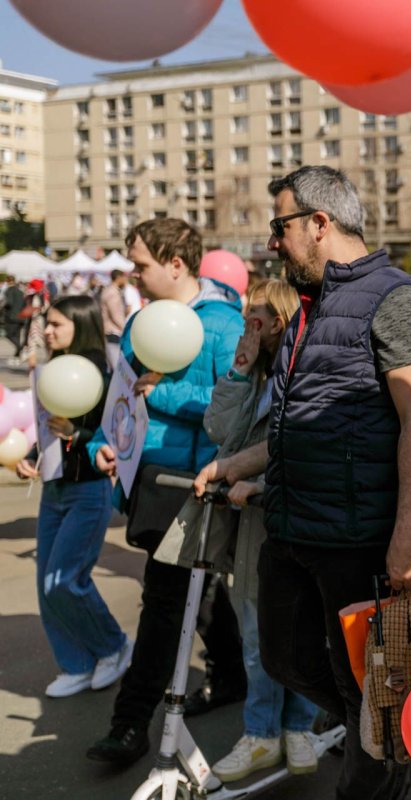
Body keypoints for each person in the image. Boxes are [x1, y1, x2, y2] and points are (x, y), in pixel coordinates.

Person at [197, 165, 411, 800]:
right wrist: (234, 466)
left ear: (319, 224)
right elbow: (293, 423)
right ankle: (386, 729)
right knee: (285, 660)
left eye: (280, 227)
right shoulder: (308, 303)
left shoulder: (398, 298)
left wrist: (409, 534)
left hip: (357, 540)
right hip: (292, 527)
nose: (273, 242)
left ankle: (382, 754)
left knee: (367, 692)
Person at [85, 218, 246, 765]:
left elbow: (236, 406)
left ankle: (130, 725)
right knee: (194, 588)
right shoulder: (139, 323)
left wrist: (169, 392)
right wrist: (103, 446)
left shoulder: (224, 325)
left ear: (176, 263)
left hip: (193, 483)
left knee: (163, 600)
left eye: (141, 263)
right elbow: (120, 397)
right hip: (146, 478)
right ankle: (231, 675)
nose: (134, 273)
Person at [197, 279, 322, 782]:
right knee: (257, 637)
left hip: (295, 519)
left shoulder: (303, 373)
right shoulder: (256, 377)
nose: (250, 326)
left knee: (301, 632)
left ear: (282, 318)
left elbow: (307, 447)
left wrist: (260, 486)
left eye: (259, 317)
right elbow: (219, 433)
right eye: (247, 316)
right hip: (253, 529)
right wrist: (239, 370)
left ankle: (299, 726)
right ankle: (262, 733)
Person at [13, 295, 132, 698]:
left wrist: (78, 435)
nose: (47, 330)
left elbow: (112, 435)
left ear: (79, 325)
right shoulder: (49, 372)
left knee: (65, 580)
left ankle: (114, 646)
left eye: (57, 324)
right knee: (47, 586)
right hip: (54, 490)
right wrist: (29, 457)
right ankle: (76, 664)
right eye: (48, 323)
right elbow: (49, 430)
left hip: (88, 491)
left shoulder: (104, 372)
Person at [99, 269, 129, 368]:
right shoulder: (113, 293)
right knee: (117, 367)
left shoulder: (109, 290)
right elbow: (116, 315)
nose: (126, 280)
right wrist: (125, 329)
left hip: (110, 332)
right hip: (113, 332)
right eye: (124, 277)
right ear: (119, 278)